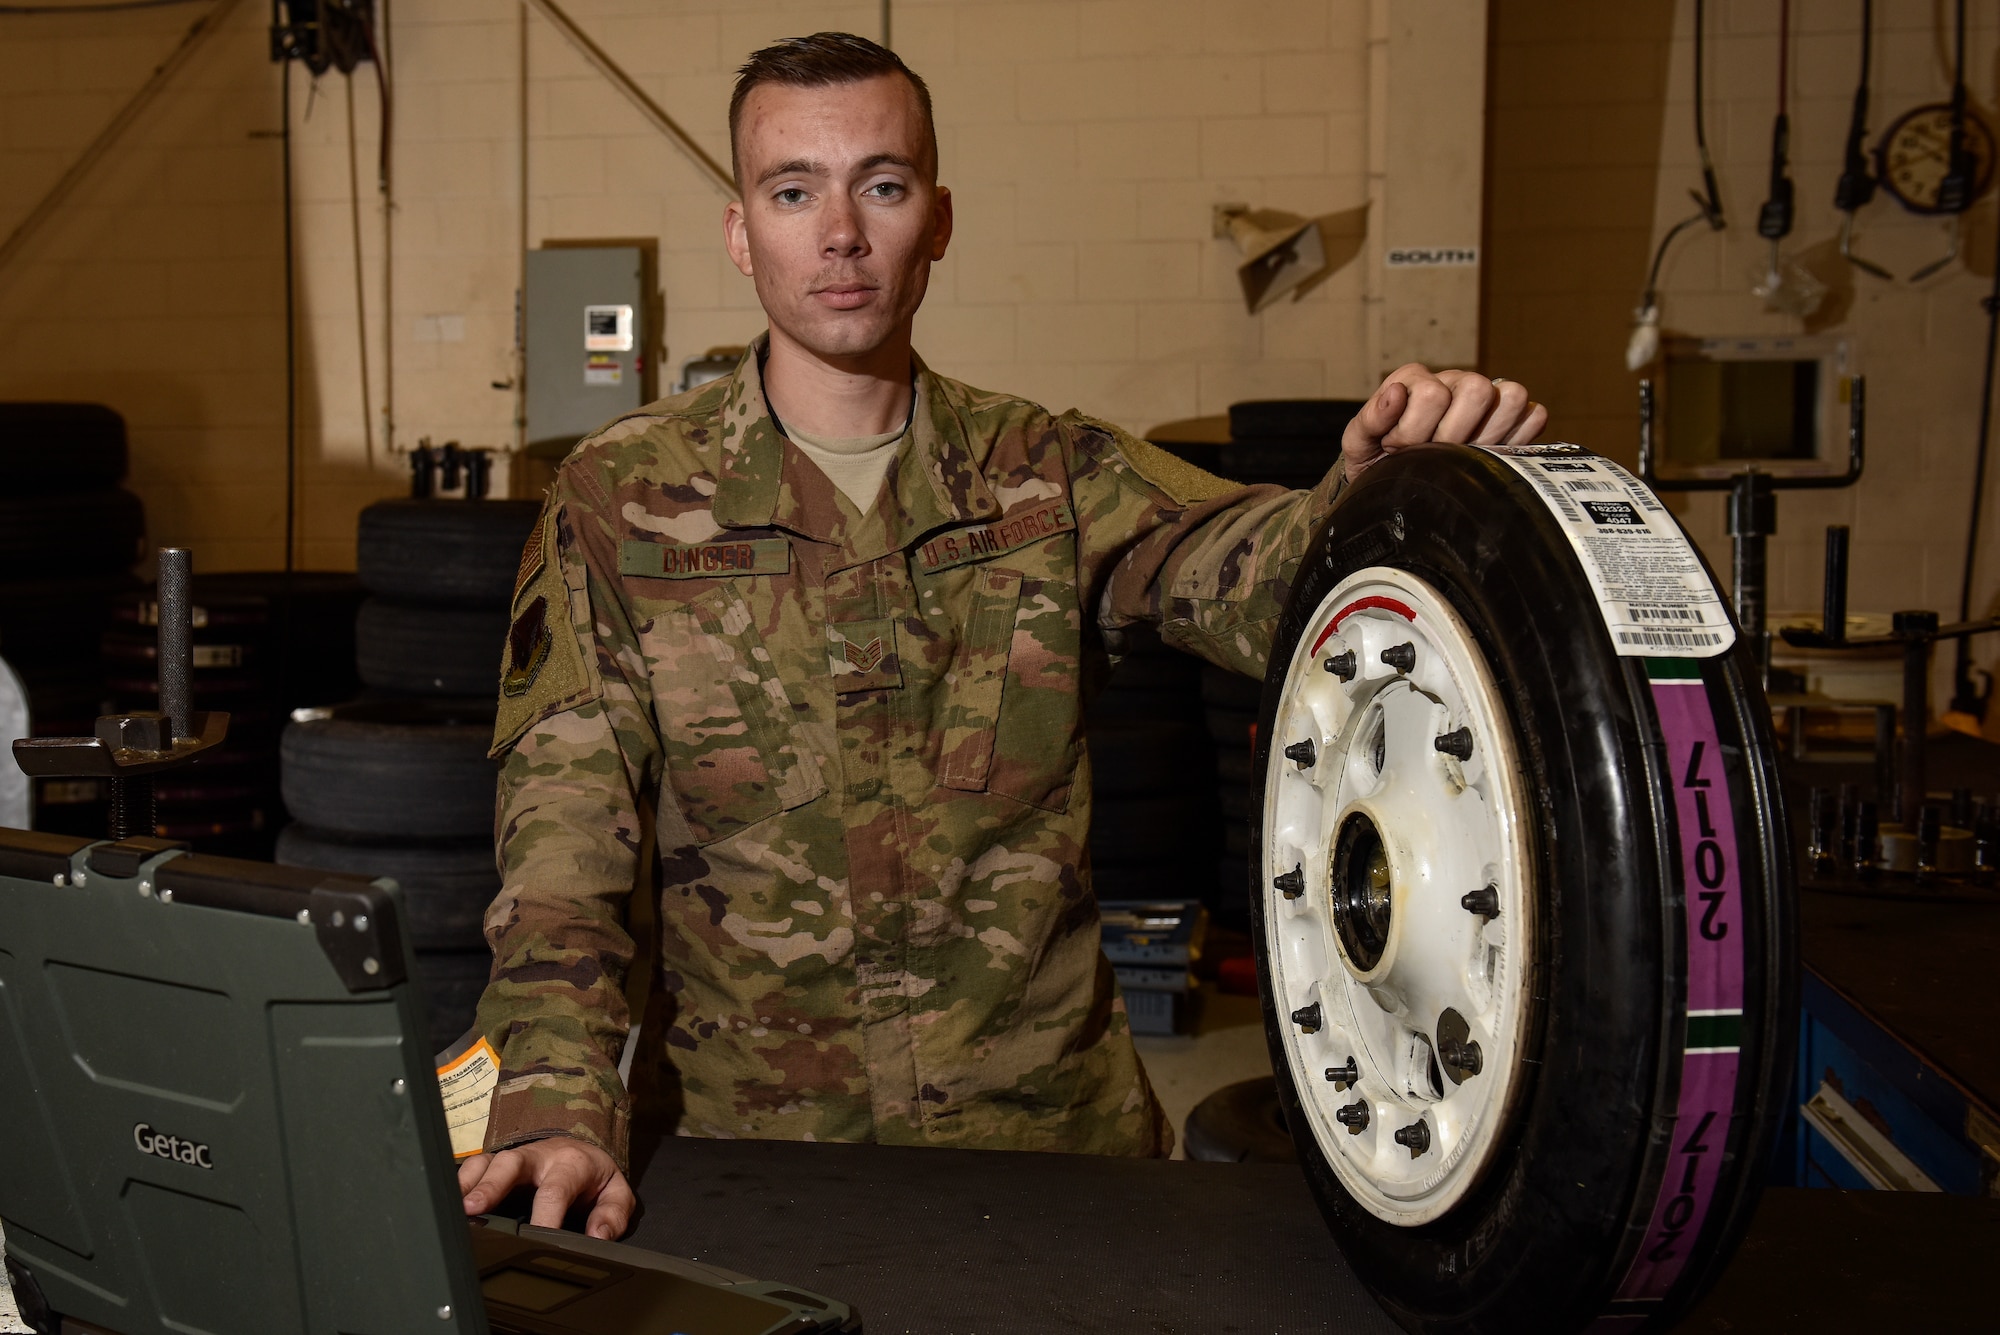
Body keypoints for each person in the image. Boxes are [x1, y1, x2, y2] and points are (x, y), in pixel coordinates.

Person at [456, 31, 1546, 1240]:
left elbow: (1269, 582)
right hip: (756, 1159)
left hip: (1049, 1153)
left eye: (881, 184)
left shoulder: (1043, 475)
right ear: (739, 229)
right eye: (791, 190)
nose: (839, 234)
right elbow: (563, 843)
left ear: (937, 218)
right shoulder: (621, 502)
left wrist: (1379, 486)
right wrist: (554, 1097)